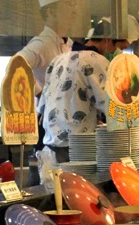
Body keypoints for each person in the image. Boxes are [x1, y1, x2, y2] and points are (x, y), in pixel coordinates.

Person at [40, 18, 119, 162]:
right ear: (107, 40)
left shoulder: (57, 60)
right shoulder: (96, 60)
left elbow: (43, 107)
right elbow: (113, 106)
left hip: (51, 149)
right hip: (78, 150)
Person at [18, 0, 77, 148]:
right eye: (68, 4)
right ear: (51, 12)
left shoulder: (66, 43)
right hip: (48, 125)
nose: (74, 11)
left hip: (66, 123)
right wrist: (40, 93)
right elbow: (17, 64)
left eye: (73, 4)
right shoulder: (43, 43)